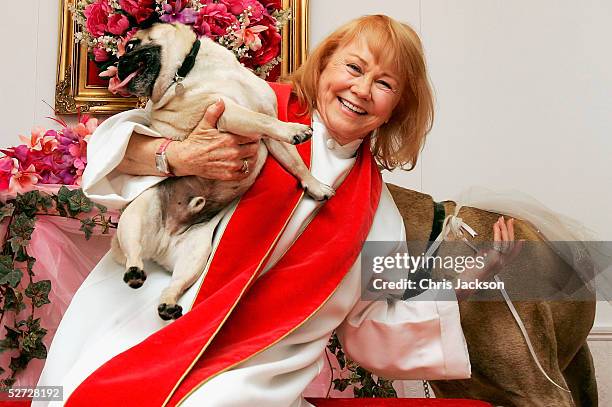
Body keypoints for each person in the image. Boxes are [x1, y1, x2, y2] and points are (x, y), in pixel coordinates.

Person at [36, 15, 518, 407]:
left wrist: (471, 280)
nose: (363, 89)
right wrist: (178, 156)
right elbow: (117, 147)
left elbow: (373, 327)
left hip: (253, 370)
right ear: (324, 65)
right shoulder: (254, 102)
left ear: (395, 108)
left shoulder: (377, 214)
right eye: (353, 67)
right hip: (148, 314)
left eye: (385, 83)